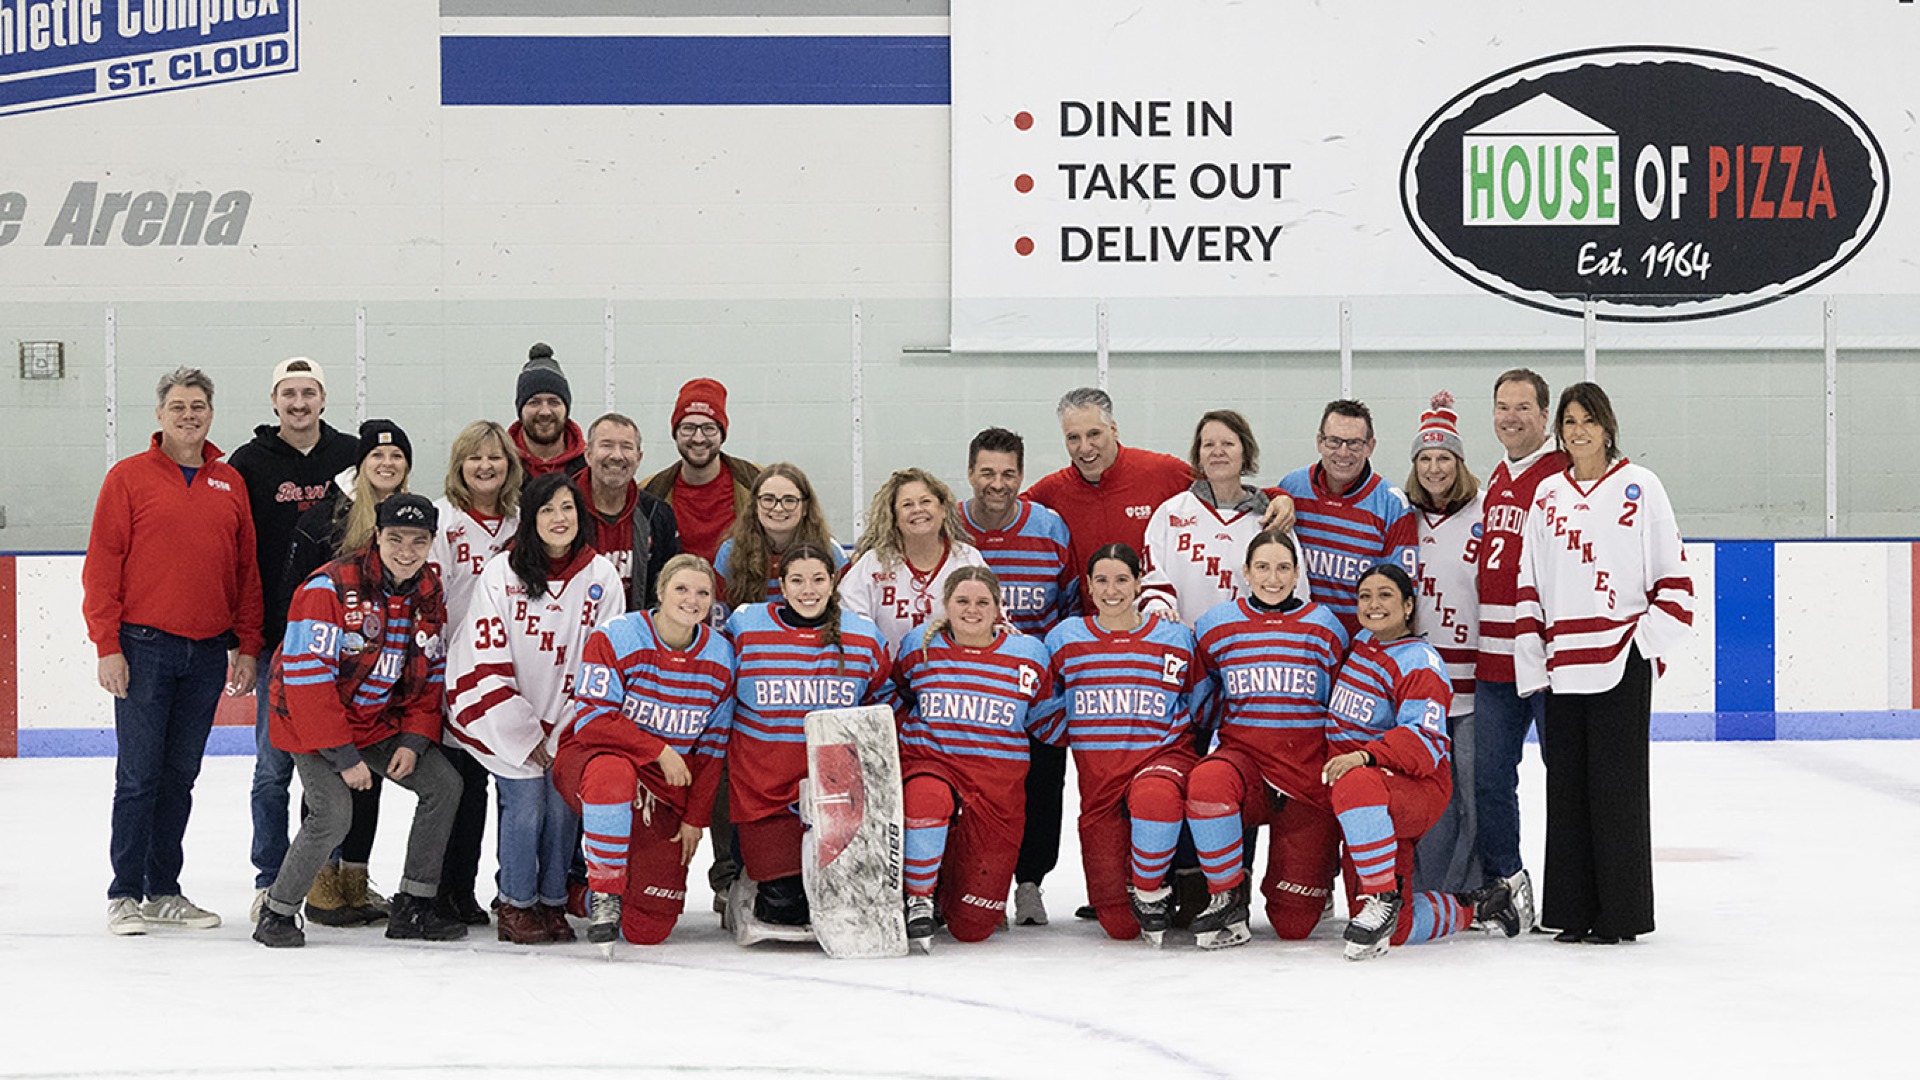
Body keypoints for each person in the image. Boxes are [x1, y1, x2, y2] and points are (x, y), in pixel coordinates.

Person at [84, 366, 263, 936]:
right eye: (179, 406)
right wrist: (107, 645)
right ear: (160, 415)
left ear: (211, 413)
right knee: (138, 775)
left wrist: (248, 644)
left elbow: (245, 571)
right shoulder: (128, 477)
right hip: (143, 648)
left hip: (208, 652)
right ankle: (124, 892)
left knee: (180, 775)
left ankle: (164, 889)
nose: (189, 414)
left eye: (199, 406)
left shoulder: (228, 481)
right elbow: (103, 566)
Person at [1516, 382, 1692, 945]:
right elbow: (1530, 581)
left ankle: (1620, 914)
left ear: (1607, 425)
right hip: (1563, 662)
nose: (1578, 431)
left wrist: (1642, 640)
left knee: (1617, 790)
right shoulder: (1547, 495)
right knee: (1566, 788)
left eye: (1588, 420)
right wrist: (1533, 655)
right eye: (1569, 421)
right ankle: (1571, 910)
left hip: (1621, 658)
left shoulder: (1641, 487)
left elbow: (1673, 576)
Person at [252, 494, 468, 948]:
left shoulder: (429, 590)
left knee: (444, 784)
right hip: (307, 724)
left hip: (374, 722)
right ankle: (278, 910)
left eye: (418, 540)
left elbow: (429, 675)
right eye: (395, 539)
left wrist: (413, 739)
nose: (406, 551)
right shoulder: (328, 588)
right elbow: (308, 685)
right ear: (376, 536)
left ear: (431, 543)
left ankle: (413, 903)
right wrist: (344, 756)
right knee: (333, 813)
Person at [447, 473, 624, 944]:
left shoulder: (601, 576)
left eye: (567, 508)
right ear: (530, 518)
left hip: (572, 719)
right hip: (509, 718)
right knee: (525, 804)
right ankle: (516, 903)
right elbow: (484, 653)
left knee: (564, 807)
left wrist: (565, 730)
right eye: (547, 510)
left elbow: (602, 659)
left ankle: (552, 902)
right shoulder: (501, 573)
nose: (558, 518)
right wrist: (525, 733)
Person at [1321, 564, 1519, 961]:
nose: (1373, 604)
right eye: (1365, 596)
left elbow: (1424, 742)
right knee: (1399, 930)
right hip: (1366, 796)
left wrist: (1364, 756)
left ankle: (1382, 896)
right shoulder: (1362, 643)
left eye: (1385, 596)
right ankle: (1479, 905)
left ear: (1409, 606)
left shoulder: (1419, 661)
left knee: (1355, 785)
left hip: (1412, 788)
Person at [228, 357, 360, 921]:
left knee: (328, 766)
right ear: (274, 401)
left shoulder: (351, 455)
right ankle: (269, 875)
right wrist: (246, 638)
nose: (300, 403)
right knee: (272, 768)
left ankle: (323, 876)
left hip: (345, 644)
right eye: (289, 394)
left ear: (323, 400)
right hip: (279, 639)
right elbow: (238, 555)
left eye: (309, 393)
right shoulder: (249, 463)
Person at [553, 554, 737, 951]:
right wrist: (660, 750)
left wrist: (695, 818)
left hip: (664, 788)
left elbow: (712, 751)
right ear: (660, 591)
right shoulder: (617, 636)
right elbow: (594, 721)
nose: (693, 599)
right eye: (681, 589)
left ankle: (578, 892)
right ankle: (603, 893)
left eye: (703, 592)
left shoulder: (721, 657)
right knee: (613, 774)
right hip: (596, 759)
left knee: (648, 928)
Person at [276, 417, 415, 926]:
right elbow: (295, 592)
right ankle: (319, 880)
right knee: (323, 786)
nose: (386, 463)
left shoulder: (415, 520)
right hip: (322, 677)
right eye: (377, 456)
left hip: (380, 681)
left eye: (397, 456)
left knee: (367, 783)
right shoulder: (326, 519)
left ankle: (354, 878)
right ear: (360, 465)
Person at [1184, 531, 1347, 949]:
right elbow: (1204, 701)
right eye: (1262, 567)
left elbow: (1337, 707)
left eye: (1282, 568)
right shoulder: (1217, 625)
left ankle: (1315, 877)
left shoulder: (1325, 627)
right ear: (1246, 572)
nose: (1272, 578)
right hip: (1246, 764)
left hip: (1305, 778)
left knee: (1294, 925)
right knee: (1206, 780)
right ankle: (1226, 896)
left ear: (1296, 574)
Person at [1035, 544, 1202, 944]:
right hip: (1100, 784)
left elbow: (1200, 701)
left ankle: (1151, 888)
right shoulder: (1065, 639)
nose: (1113, 590)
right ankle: (1136, 890)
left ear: (1139, 583)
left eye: (1123, 579)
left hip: (1162, 758)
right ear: (1089, 586)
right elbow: (1041, 707)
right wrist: (1080, 730)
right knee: (1120, 928)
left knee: (1156, 797)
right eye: (1103, 581)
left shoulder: (1174, 638)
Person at [724, 545, 891, 928]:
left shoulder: (863, 637)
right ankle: (751, 880)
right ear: (781, 586)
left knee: (841, 903)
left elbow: (882, 707)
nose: (808, 590)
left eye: (818, 579)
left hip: (836, 796)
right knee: (786, 910)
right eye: (796, 580)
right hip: (765, 793)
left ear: (833, 583)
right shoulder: (746, 628)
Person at [893, 566, 1053, 949]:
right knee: (927, 798)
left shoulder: (1028, 654)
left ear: (999, 607)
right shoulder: (919, 647)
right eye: (962, 601)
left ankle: (948, 885)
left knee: (973, 927)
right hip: (932, 765)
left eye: (983, 602)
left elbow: (1045, 717)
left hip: (995, 786)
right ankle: (918, 896)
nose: (972, 610)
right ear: (945, 605)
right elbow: (898, 694)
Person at [959, 426, 1076, 926]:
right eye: (987, 472)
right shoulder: (953, 529)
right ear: (970, 474)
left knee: (1043, 781)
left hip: (1034, 688)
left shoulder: (1049, 528)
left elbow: (1068, 602)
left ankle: (1030, 882)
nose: (997, 483)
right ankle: (965, 879)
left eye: (1008, 473)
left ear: (1022, 476)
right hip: (972, 686)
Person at [1473, 367, 1569, 931]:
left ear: (1544, 415)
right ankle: (1506, 883)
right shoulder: (1499, 476)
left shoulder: (1558, 473)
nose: (1510, 417)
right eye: (1502, 407)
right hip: (1491, 660)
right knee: (1489, 778)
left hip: (1545, 662)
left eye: (1523, 408)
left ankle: (1570, 885)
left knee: (1565, 776)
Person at [426, 419, 525, 926]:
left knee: (508, 786)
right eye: (474, 457)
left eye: (495, 457)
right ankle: (449, 888)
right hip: (455, 676)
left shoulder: (522, 521)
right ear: (459, 466)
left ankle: (510, 890)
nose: (485, 466)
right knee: (460, 786)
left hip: (512, 677)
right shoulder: (443, 521)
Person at [1403, 393, 1486, 895]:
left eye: (1445, 458)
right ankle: (1425, 887)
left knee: (1473, 793)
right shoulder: (1401, 515)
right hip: (1420, 687)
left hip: (1475, 684)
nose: (1435, 468)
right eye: (1426, 458)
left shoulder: (1486, 509)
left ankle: (1470, 889)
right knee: (1428, 792)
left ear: (1459, 461)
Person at [1025, 387, 1193, 609]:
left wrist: (1255, 505)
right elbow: (1003, 511)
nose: (1084, 448)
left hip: (1154, 626)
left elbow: (1221, 488)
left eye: (1094, 434)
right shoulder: (1052, 490)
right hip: (1090, 629)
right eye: (1073, 437)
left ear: (1113, 430)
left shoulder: (1163, 472)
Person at [1139, 409, 1307, 626]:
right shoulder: (1172, 512)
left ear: (1245, 452)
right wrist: (1165, 620)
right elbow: (1152, 582)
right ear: (1198, 455)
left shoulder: (1270, 519)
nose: (1217, 452)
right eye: (1208, 445)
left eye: (1227, 444)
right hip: (1185, 643)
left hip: (1248, 648)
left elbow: (1297, 589)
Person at [1266, 399, 1417, 636]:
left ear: (1370, 446)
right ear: (1320, 442)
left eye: (1355, 443)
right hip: (1297, 642)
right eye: (1334, 441)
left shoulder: (1392, 505)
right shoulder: (1291, 489)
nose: (1343, 452)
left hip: (1360, 648)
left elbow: (1402, 593)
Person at [839, 468, 989, 653]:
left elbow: (994, 620)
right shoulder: (873, 563)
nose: (918, 510)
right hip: (888, 679)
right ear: (894, 517)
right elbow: (850, 625)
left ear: (943, 510)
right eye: (907, 505)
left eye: (926, 501)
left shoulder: (967, 559)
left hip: (953, 676)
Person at [642, 377, 762, 563]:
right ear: (675, 433)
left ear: (722, 434)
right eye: (688, 428)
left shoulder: (757, 482)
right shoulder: (651, 491)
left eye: (709, 428)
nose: (698, 438)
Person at [714, 462, 844, 622]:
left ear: (805, 507)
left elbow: (842, 613)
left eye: (789, 500)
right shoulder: (730, 553)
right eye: (768, 499)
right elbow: (722, 618)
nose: (778, 508)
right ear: (755, 505)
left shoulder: (831, 552)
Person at [580, 413, 681, 610]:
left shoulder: (657, 515)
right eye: (606, 445)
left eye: (626, 447)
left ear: (639, 457)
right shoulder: (563, 510)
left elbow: (669, 588)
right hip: (573, 634)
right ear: (588, 455)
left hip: (637, 634)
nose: (617, 455)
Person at [511, 343, 588, 483]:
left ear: (566, 409)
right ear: (520, 410)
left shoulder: (590, 466)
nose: (545, 412)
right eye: (534, 402)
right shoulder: (500, 465)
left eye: (554, 402)